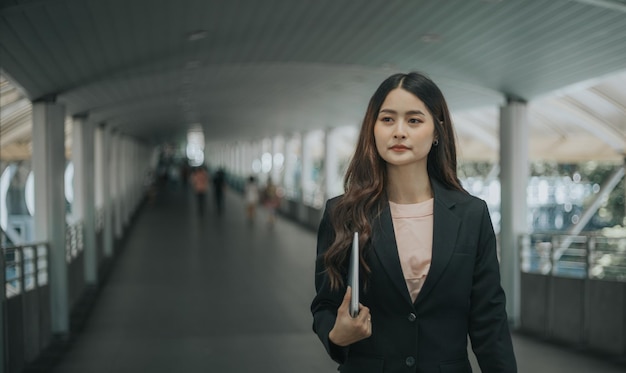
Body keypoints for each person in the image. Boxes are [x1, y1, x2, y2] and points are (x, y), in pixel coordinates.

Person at [310, 72, 517, 372]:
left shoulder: (471, 215)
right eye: (387, 119)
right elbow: (325, 304)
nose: (399, 131)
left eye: (414, 120)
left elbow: (489, 321)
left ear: (437, 131)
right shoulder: (343, 213)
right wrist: (336, 335)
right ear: (373, 128)